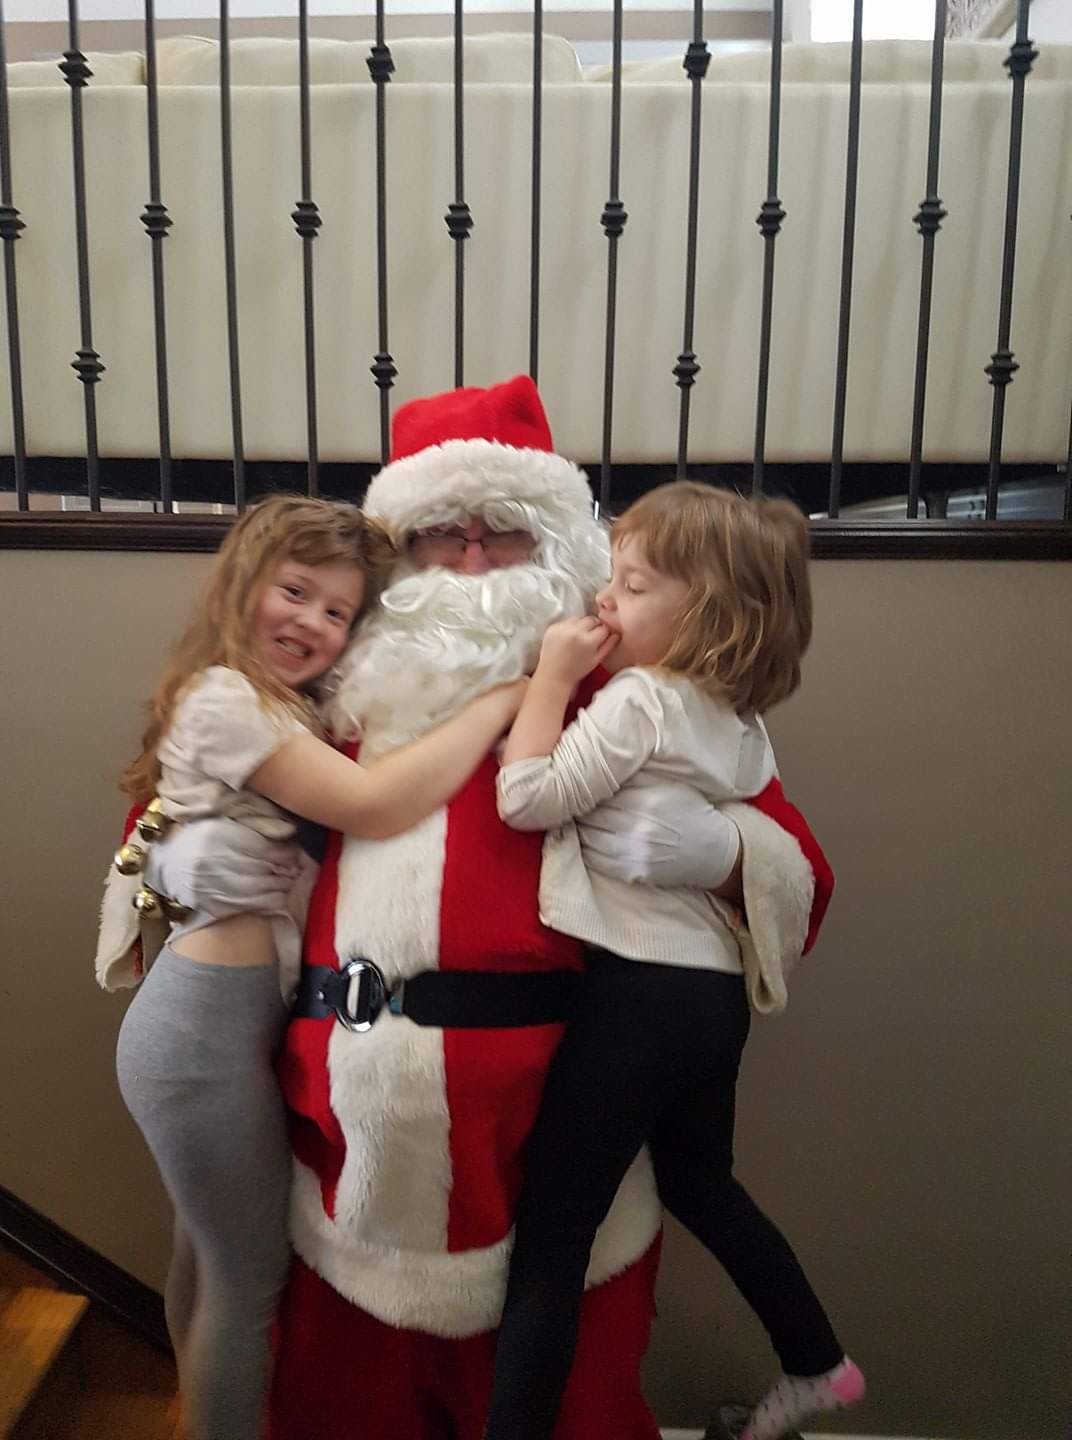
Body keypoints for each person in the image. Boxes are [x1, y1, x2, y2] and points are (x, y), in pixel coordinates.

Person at [134, 377, 836, 1440]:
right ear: (398, 551)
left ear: (557, 542)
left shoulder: (638, 691)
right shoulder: (324, 680)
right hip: (345, 1167)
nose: (470, 562)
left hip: (550, 1155)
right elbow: (161, 807)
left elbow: (805, 876)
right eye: (440, 534)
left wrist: (731, 854)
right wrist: (172, 865)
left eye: (500, 531)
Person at [99, 494, 529, 1440]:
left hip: (217, 1023)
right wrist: (502, 700)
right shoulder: (227, 698)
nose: (313, 623)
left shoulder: (277, 704)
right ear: (241, 583)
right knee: (249, 1283)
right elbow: (373, 805)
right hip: (201, 1032)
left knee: (205, 1263)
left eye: (337, 611)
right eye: (295, 592)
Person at [484, 481, 864, 1440]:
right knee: (702, 1184)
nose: (605, 599)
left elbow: (525, 798)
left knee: (554, 1238)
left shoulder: (643, 700)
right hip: (712, 999)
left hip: (636, 995)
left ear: (707, 614)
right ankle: (818, 1361)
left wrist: (551, 677)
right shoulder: (740, 722)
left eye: (633, 584)